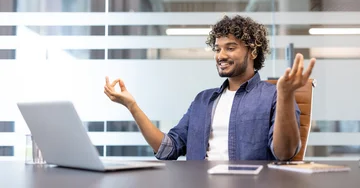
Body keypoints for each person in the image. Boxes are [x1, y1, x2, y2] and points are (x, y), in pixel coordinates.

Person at [104, 15, 316, 161]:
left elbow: (284, 153)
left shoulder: (273, 96)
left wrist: (286, 95)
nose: (220, 55)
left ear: (252, 52)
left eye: (230, 48)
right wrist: (132, 106)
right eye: (217, 49)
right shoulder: (203, 100)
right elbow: (168, 149)